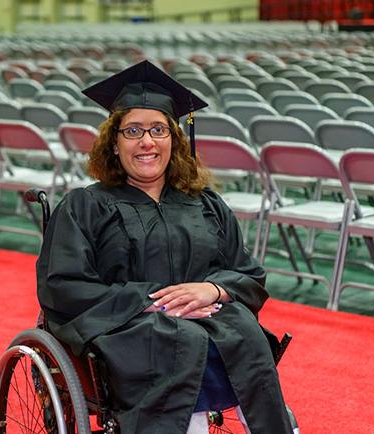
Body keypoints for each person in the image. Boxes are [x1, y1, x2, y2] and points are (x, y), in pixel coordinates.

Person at [37, 60, 292, 434]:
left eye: (158, 130)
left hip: (209, 317)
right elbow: (63, 284)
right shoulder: (85, 206)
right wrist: (154, 302)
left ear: (174, 139)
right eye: (133, 131)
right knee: (176, 339)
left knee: (243, 329)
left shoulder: (205, 203)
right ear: (114, 142)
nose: (147, 142)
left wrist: (212, 289)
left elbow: (249, 274)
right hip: (126, 327)